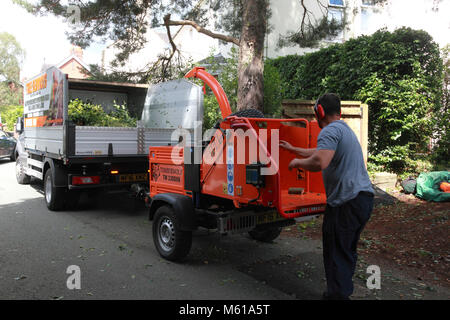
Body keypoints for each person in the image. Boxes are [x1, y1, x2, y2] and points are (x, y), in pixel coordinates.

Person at [280, 93, 374, 300]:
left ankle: (338, 296)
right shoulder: (343, 129)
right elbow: (321, 151)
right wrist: (294, 149)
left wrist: (295, 163)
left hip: (346, 202)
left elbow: (319, 162)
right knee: (345, 249)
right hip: (362, 200)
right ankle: (340, 291)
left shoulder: (329, 130)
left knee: (335, 252)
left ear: (319, 111)